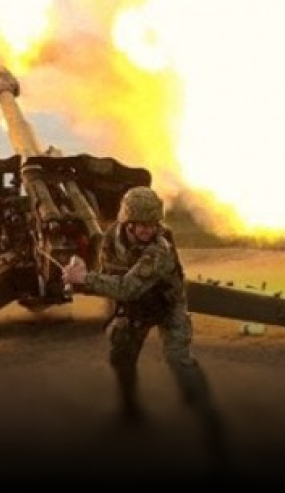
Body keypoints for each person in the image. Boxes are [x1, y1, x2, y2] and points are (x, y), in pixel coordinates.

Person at [63, 186, 228, 469]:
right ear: (128, 223)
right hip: (136, 306)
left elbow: (127, 287)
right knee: (120, 352)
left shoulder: (160, 249)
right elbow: (110, 277)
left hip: (167, 304)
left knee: (178, 358)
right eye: (142, 225)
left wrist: (83, 280)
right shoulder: (110, 240)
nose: (149, 230)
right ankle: (130, 411)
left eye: (153, 224)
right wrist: (79, 271)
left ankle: (206, 415)